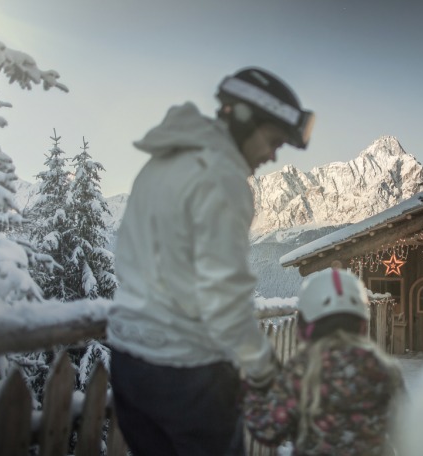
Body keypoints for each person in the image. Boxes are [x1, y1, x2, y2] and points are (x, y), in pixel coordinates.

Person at [106, 67, 315, 455]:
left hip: (128, 361)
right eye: (273, 141)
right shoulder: (223, 179)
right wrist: (265, 371)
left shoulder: (163, 161)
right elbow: (224, 298)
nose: (272, 156)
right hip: (187, 373)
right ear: (243, 119)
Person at [244, 268, 406, 455]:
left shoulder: (302, 369)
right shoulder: (384, 368)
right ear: (362, 323)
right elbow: (406, 433)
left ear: (306, 326)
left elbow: (268, 430)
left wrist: (254, 389)